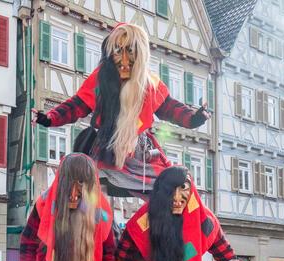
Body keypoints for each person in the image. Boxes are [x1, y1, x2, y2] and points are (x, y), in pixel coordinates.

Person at [33, 23, 211, 197]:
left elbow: (171, 108)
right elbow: (76, 105)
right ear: (111, 53)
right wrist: (50, 118)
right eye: (119, 51)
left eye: (131, 52)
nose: (125, 61)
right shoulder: (100, 79)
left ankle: (154, 224)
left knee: (167, 188)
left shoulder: (149, 84)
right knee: (89, 189)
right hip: (106, 147)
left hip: (139, 151)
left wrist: (194, 118)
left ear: (140, 55)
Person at [18, 153, 115, 261]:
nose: (73, 195)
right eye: (69, 185)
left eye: (80, 187)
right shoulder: (44, 204)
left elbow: (108, 256)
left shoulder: (102, 212)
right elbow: (28, 243)